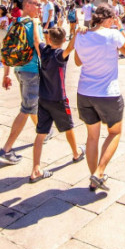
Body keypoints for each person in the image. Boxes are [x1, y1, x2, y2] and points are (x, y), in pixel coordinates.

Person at [74, 4, 125, 191]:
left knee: (92, 137)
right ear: (109, 19)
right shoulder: (113, 35)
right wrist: (121, 29)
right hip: (108, 94)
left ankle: (94, 179)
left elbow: (77, 62)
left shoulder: (81, 35)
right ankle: (99, 172)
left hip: (84, 92)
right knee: (114, 132)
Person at [28, 27, 85, 182]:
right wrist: (78, 33)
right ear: (63, 39)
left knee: (40, 134)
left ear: (49, 39)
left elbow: (36, 40)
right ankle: (76, 153)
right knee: (68, 127)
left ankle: (36, 169)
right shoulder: (60, 55)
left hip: (44, 98)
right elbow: (70, 48)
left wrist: (35, 22)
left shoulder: (44, 51)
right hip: (59, 98)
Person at [0, 0, 45, 165]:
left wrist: (6, 73)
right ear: (28, 6)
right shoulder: (33, 24)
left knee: (31, 104)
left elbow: (6, 50)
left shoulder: (14, 23)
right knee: (27, 108)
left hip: (19, 69)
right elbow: (39, 47)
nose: (41, 7)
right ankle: (6, 150)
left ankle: (43, 130)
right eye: (38, 4)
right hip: (32, 71)